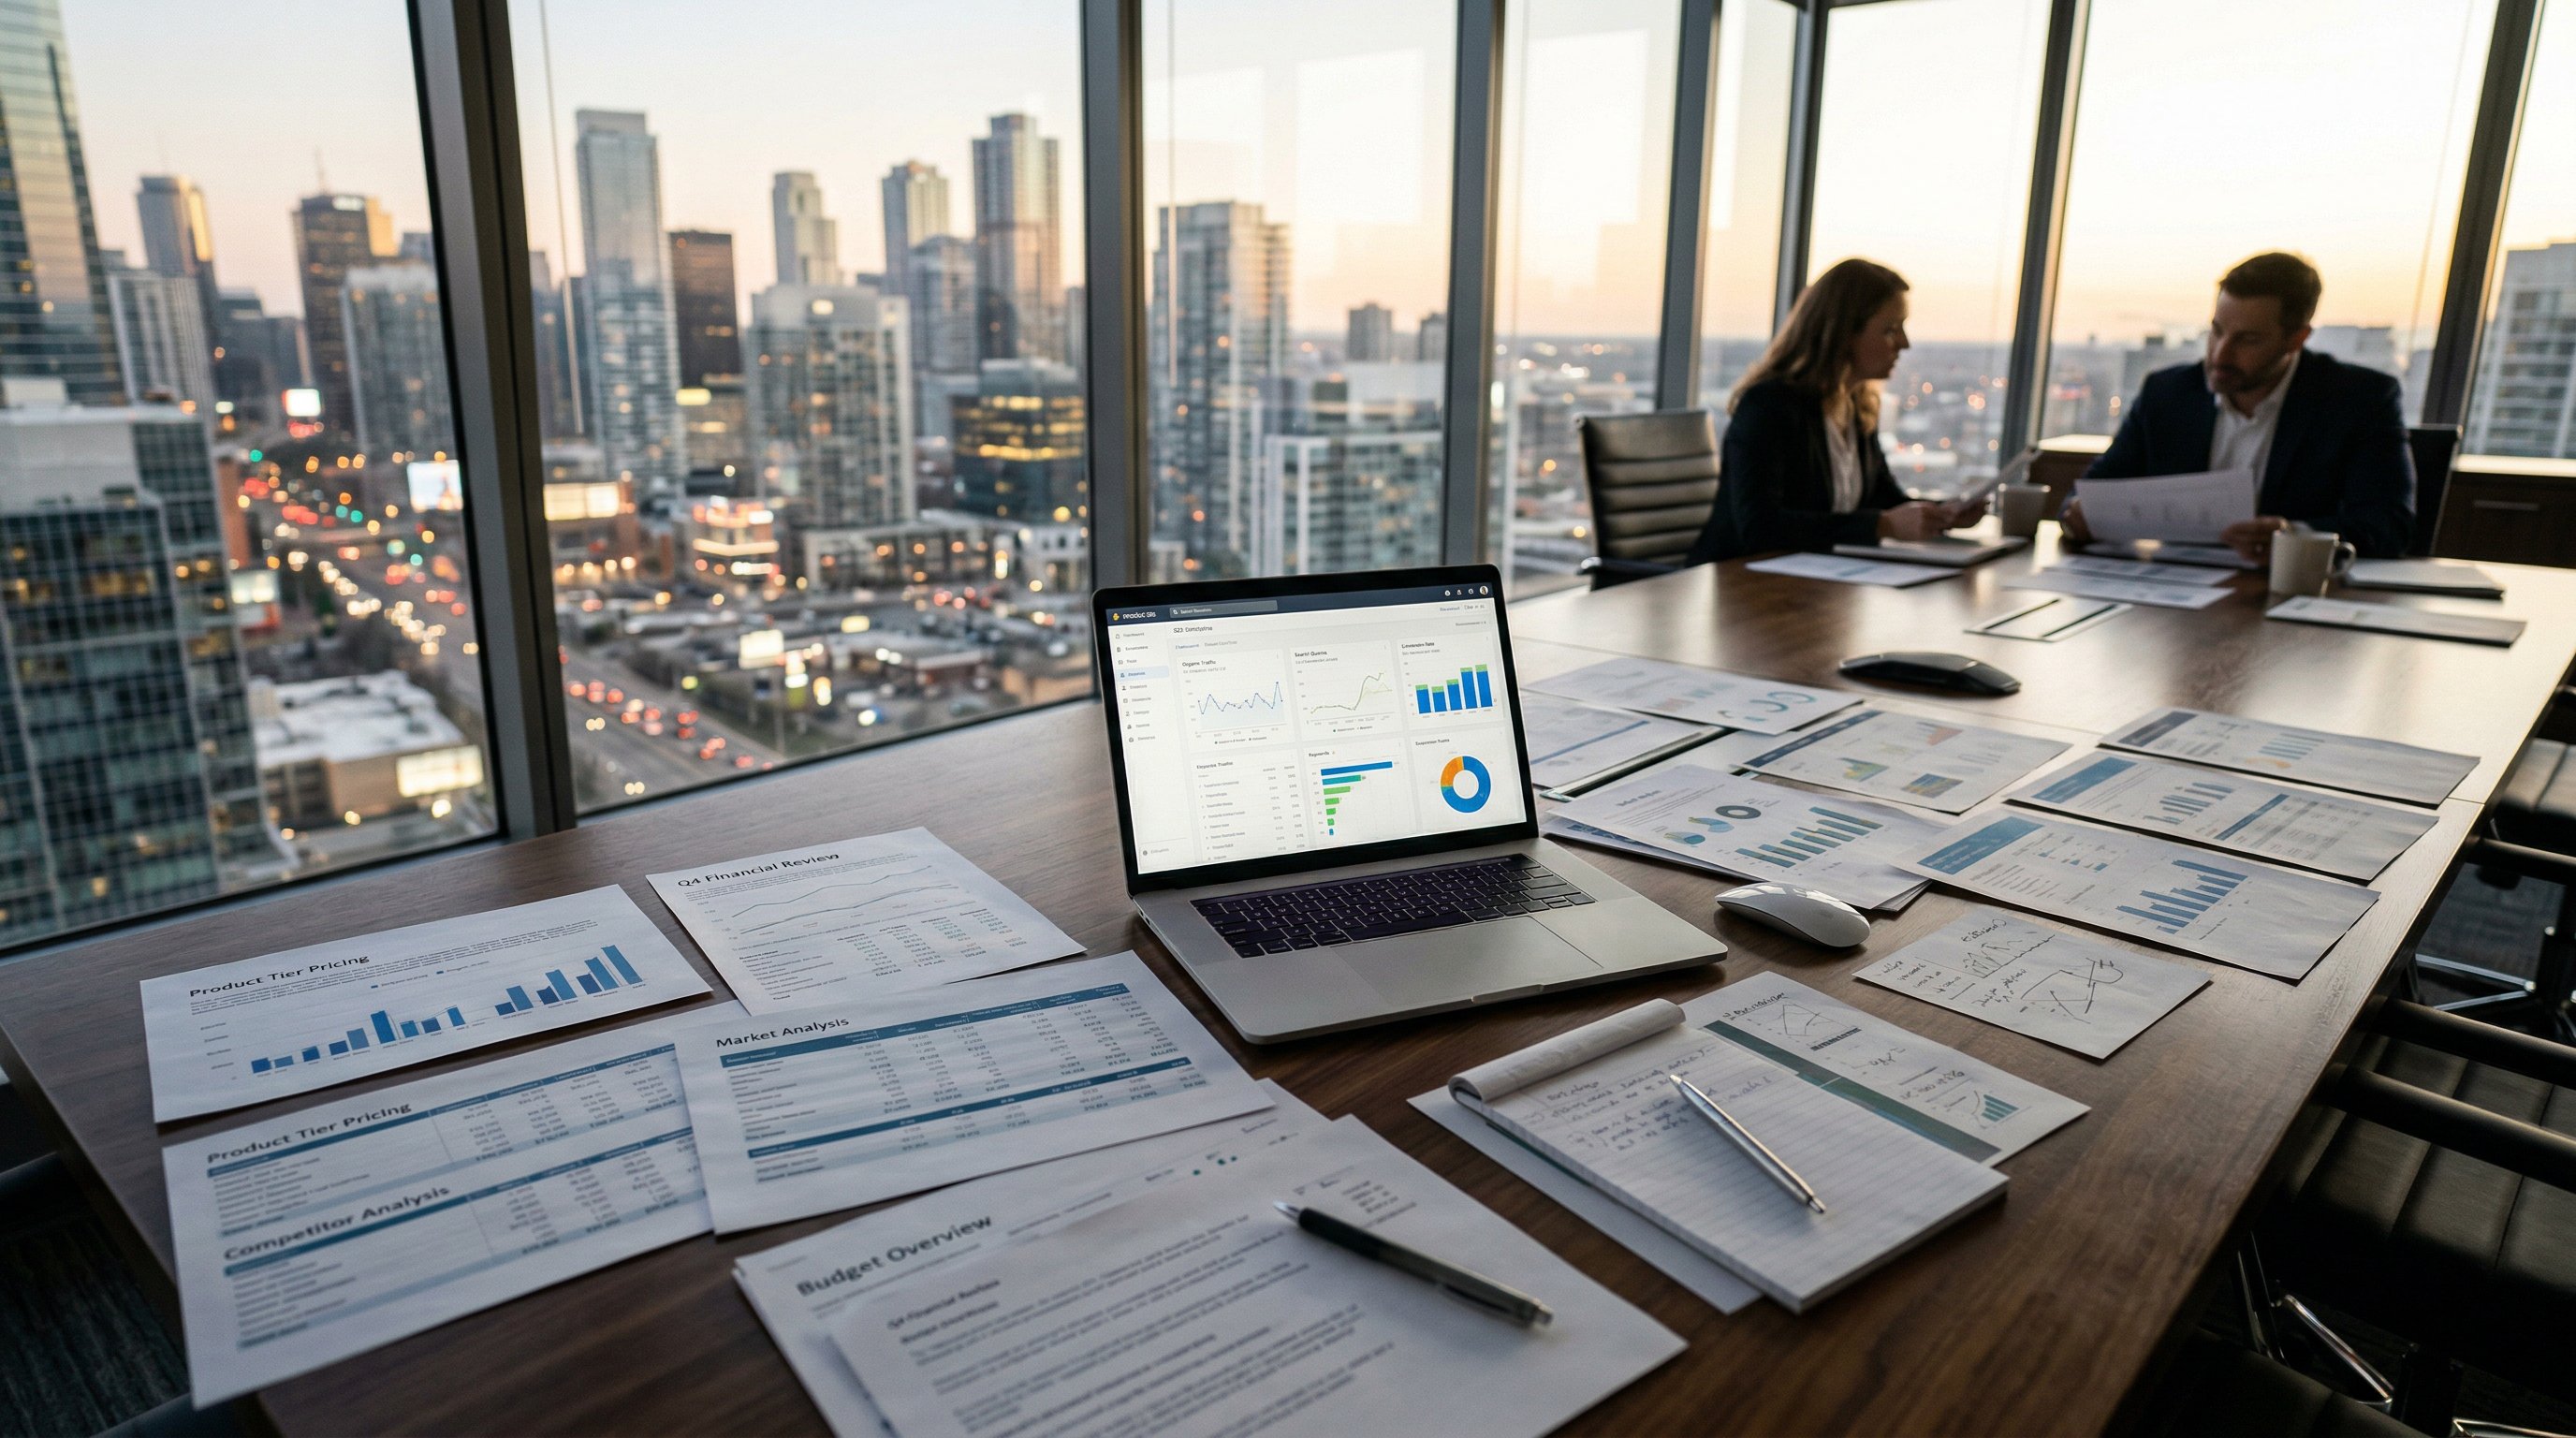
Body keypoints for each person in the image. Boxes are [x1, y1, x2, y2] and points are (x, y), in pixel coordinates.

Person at [2064, 251, 2414, 561]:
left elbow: (2389, 526)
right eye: (2216, 332)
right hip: (2169, 600)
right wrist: (2077, 514)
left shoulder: (2358, 401)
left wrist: (2292, 536)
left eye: (2248, 340)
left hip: (2290, 605)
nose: (2220, 354)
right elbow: (2094, 490)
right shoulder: (2167, 393)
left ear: (2296, 339)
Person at [1689, 257, 1984, 565]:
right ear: (1843, 334)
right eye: (1890, 329)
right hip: (1742, 586)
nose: (1904, 344)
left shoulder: (1857, 406)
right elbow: (1760, 528)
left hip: (1816, 583)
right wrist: (1883, 525)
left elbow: (1883, 500)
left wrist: (1943, 513)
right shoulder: (1768, 406)